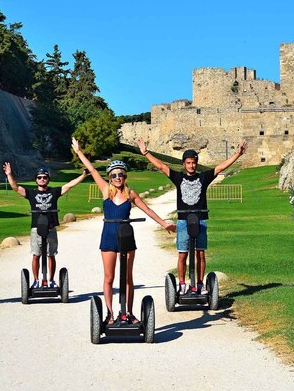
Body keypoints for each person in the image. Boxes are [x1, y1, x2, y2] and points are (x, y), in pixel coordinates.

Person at [72, 137, 175, 324]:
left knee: (128, 278)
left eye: (120, 175)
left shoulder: (130, 193)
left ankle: (128, 312)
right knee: (109, 277)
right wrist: (79, 152)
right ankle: (110, 314)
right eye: (114, 175)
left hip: (127, 238)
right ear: (109, 177)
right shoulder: (105, 191)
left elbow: (148, 210)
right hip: (109, 237)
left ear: (125, 176)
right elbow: (93, 170)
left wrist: (164, 223)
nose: (117, 178)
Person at [137, 138, 247, 295]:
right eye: (188, 163)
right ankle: (182, 284)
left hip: (200, 220)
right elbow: (161, 166)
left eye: (194, 162)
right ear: (184, 164)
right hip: (183, 221)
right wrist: (146, 153)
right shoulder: (178, 178)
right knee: (183, 254)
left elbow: (221, 167)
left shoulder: (203, 177)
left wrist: (238, 154)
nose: (191, 165)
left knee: (200, 253)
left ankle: (200, 284)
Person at [2, 162, 87, 287]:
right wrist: (9, 174)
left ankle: (51, 280)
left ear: (48, 179)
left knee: (51, 255)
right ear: (36, 179)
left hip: (51, 228)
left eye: (45, 177)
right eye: (39, 177)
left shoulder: (54, 191)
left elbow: (69, 185)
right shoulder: (31, 193)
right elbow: (16, 188)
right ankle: (36, 280)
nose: (42, 179)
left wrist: (84, 175)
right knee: (36, 255)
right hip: (36, 229)